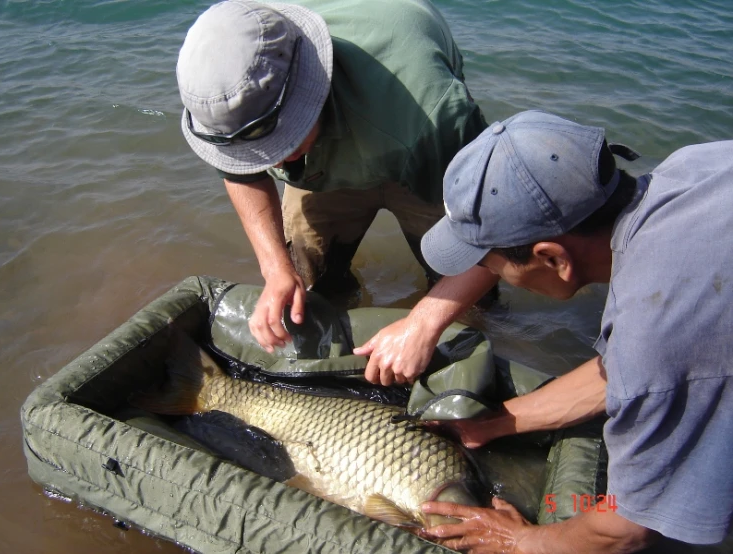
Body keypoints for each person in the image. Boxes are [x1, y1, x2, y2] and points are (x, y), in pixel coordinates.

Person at [414, 110, 732, 552]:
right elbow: (620, 372)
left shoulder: (655, 332)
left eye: (488, 264)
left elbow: (626, 529)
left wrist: (521, 539)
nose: (491, 275)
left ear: (552, 258)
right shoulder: (693, 167)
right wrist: (493, 424)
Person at [177, 0, 495, 364]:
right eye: (253, 151)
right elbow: (239, 172)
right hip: (327, 159)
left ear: (312, 89)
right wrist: (274, 268)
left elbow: (498, 234)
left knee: (470, 293)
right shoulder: (230, 84)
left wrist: (423, 323)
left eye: (281, 142)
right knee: (306, 282)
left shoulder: (432, 113)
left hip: (412, 140)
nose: (272, 163)